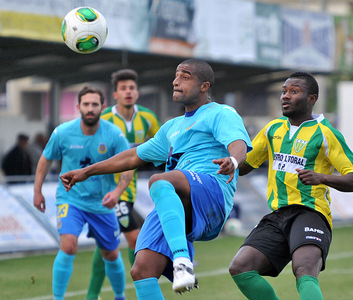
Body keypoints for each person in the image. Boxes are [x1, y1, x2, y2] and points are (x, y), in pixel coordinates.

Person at [60, 58, 252, 299]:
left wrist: (233, 160)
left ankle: (181, 260)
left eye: (185, 76)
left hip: (211, 193)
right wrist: (85, 172)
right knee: (142, 270)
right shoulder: (171, 127)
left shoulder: (221, 113)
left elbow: (238, 145)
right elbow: (132, 156)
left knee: (160, 180)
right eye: (176, 75)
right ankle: (179, 259)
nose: (175, 81)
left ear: (204, 86)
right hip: (180, 202)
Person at [228, 71, 353, 300]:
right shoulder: (273, 129)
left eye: (294, 91)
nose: (285, 96)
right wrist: (229, 161)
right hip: (278, 215)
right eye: (283, 92)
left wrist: (322, 177)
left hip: (311, 212)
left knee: (303, 269)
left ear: (311, 99)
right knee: (240, 267)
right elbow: (246, 165)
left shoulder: (326, 134)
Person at [33, 86, 133, 300]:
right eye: (86, 104)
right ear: (78, 107)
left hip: (102, 203)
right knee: (68, 246)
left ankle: (119, 296)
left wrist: (117, 192)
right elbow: (45, 158)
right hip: (71, 200)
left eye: (94, 104)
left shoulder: (114, 134)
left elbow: (128, 163)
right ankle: (57, 298)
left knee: (111, 254)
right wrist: (37, 191)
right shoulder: (63, 132)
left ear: (102, 107)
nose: (90, 109)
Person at [86, 69, 161, 300]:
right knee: (134, 239)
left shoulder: (147, 118)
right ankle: (142, 288)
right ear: (115, 94)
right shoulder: (105, 118)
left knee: (106, 246)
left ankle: (93, 295)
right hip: (107, 190)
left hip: (129, 190)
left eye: (131, 88)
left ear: (137, 93)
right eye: (123, 88)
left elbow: (163, 147)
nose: (128, 92)